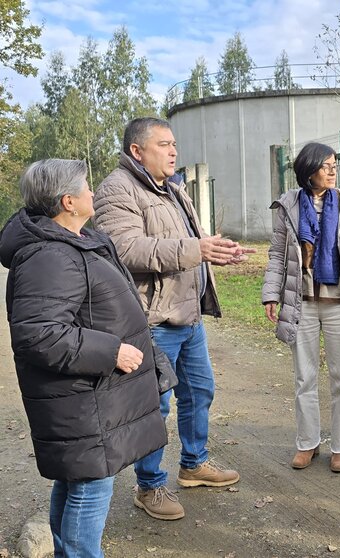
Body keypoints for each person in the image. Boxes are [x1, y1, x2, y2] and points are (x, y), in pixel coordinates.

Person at [0, 159, 167, 557]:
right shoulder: (50, 256)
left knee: (77, 479)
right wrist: (110, 351)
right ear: (68, 201)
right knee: (91, 485)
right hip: (80, 397)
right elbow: (38, 334)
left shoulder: (75, 241)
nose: (95, 193)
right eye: (87, 188)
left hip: (88, 394)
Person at [93, 117, 252, 521]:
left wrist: (217, 253)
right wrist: (196, 249)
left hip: (187, 315)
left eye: (174, 144)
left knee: (200, 393)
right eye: (163, 144)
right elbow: (127, 249)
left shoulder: (173, 189)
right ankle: (149, 487)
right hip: (152, 321)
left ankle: (194, 464)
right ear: (137, 151)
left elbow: (191, 246)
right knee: (154, 408)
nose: (173, 151)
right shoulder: (116, 189)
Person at [262, 142, 340, 473]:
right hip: (302, 303)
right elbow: (278, 252)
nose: (332, 171)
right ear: (309, 171)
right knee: (304, 378)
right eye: (326, 166)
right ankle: (307, 443)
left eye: (334, 165)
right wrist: (271, 293)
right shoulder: (289, 205)